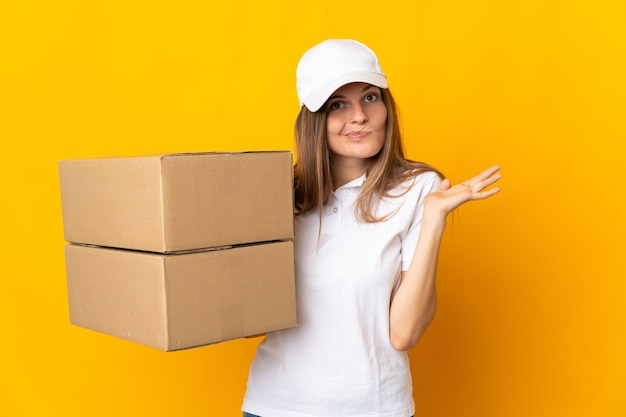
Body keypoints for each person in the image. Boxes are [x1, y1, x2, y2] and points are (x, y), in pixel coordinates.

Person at [241, 39, 501, 417]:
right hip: (276, 405)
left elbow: (404, 333)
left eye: (370, 97)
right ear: (314, 120)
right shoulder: (280, 195)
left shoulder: (419, 189)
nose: (359, 116)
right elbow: (249, 317)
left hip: (376, 408)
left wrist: (433, 220)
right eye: (337, 105)